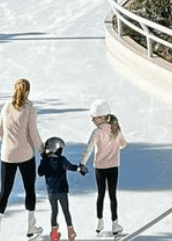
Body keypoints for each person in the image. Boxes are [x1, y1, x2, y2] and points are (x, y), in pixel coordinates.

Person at [0, 78, 45, 240]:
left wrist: (9, 145)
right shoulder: (30, 109)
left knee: (5, 191)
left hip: (7, 155)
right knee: (29, 190)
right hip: (25, 155)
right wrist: (42, 152)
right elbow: (33, 134)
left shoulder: (6, 106)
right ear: (28, 92)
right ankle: (30, 228)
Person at [81, 99, 128, 236]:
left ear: (101, 117)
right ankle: (115, 224)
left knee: (101, 194)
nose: (92, 120)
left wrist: (82, 163)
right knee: (113, 195)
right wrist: (114, 146)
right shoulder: (115, 130)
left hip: (100, 168)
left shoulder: (97, 132)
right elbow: (124, 144)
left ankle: (99, 222)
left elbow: (88, 149)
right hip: (113, 167)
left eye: (94, 118)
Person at [38, 136, 85, 241]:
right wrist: (80, 168)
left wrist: (43, 160)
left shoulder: (45, 161)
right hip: (62, 191)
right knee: (66, 211)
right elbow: (71, 167)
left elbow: (40, 173)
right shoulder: (62, 160)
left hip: (51, 192)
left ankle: (54, 235)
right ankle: (71, 232)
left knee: (54, 212)